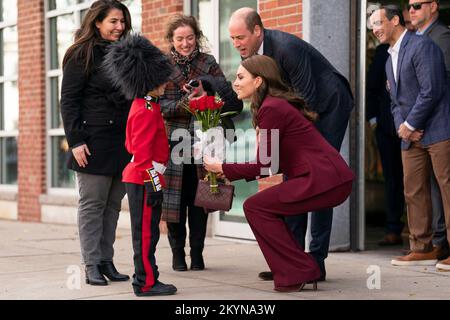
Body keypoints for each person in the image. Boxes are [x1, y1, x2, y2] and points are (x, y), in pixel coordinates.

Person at [204, 55, 354, 292]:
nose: (235, 82)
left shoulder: (272, 108)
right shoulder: (272, 106)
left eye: (241, 77)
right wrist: (228, 170)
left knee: (255, 207)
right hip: (327, 179)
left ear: (259, 81)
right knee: (262, 207)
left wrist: (223, 168)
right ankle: (297, 269)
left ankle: (301, 269)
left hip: (325, 180)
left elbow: (264, 165)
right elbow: (272, 164)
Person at [228, 7, 354, 282]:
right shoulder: (253, 58)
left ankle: (316, 260)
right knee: (292, 178)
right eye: (232, 39)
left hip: (329, 104)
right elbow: (247, 87)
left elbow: (306, 97)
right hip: (298, 110)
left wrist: (279, 130)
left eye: (240, 37)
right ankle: (293, 261)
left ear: (257, 31)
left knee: (320, 178)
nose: (236, 44)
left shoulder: (286, 49)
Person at [369, 5, 450, 270]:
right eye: (372, 26)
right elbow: (394, 99)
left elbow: (432, 90)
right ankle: (422, 247)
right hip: (410, 135)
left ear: (394, 21)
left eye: (378, 23)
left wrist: (412, 122)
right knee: (413, 191)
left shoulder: (422, 46)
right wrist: (403, 127)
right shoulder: (389, 54)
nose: (375, 30)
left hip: (438, 130)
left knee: (447, 190)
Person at [160, 14, 243, 272]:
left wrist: (208, 95)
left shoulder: (208, 62)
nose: (185, 43)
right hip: (174, 143)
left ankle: (197, 254)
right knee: (174, 201)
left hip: (204, 140)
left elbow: (228, 98)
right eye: (180, 39)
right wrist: (189, 104)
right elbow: (162, 107)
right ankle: (177, 255)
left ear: (197, 37)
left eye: (190, 38)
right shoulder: (162, 66)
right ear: (171, 40)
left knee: (201, 199)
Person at [60, 0, 132, 286]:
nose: (120, 27)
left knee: (113, 205)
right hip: (92, 142)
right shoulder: (81, 53)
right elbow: (69, 101)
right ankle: (90, 264)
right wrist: (75, 141)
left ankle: (106, 261)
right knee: (92, 205)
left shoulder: (126, 54)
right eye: (114, 21)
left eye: (123, 21)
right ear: (97, 22)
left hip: (121, 142)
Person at [103, 33, 177, 297]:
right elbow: (143, 154)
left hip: (141, 178)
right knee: (145, 235)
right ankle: (145, 283)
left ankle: (148, 276)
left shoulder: (144, 105)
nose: (166, 83)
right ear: (150, 80)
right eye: (162, 79)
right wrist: (154, 184)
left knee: (147, 234)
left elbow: (130, 146)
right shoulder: (145, 109)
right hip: (144, 179)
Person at [408, 0, 450, 260]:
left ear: (433, 6)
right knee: (427, 188)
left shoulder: (442, 36)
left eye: (417, 5)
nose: (411, 10)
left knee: (444, 186)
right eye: (410, 7)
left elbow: (437, 84)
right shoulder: (417, 37)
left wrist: (415, 121)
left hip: (439, 123)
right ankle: (436, 244)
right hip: (421, 125)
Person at [366, 43, 405, 246]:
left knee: (419, 181)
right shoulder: (383, 51)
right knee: (392, 179)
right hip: (387, 128)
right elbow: (372, 86)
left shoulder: (420, 44)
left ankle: (429, 234)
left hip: (416, 127)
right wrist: (373, 120)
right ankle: (393, 228)